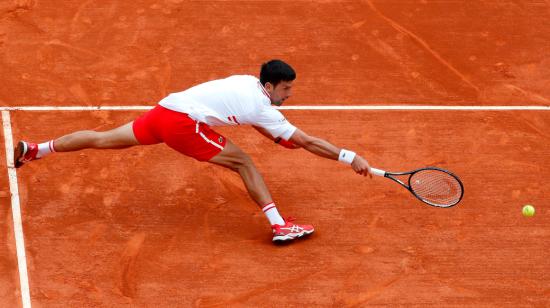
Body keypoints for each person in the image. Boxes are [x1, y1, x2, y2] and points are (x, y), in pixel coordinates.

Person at [14, 59, 372, 243]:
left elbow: (255, 121)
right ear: (269, 85)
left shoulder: (247, 84)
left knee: (103, 138)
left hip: (164, 110)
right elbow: (305, 140)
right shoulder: (263, 106)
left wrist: (278, 138)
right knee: (244, 162)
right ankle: (280, 226)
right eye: (286, 89)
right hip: (184, 124)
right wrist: (349, 156)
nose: (289, 94)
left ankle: (36, 149)